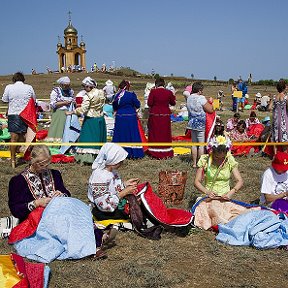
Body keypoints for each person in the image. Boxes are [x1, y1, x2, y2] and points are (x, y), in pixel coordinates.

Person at [7, 145, 108, 259]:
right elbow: (16, 209)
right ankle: (94, 246)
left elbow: (66, 193)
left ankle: (95, 240)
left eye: (47, 164)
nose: (45, 167)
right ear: (32, 161)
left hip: (58, 210)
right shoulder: (18, 181)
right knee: (66, 221)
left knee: (77, 212)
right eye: (41, 165)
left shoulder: (55, 174)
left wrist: (61, 194)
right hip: (37, 218)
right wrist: (36, 203)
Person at [66, 77, 107, 164]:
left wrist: (72, 112)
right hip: (100, 118)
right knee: (98, 137)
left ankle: (88, 158)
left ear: (89, 86)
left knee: (89, 138)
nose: (84, 89)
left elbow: (84, 109)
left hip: (90, 119)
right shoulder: (101, 92)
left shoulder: (88, 96)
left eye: (85, 86)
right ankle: (99, 156)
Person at [2, 72, 36, 168]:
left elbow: (4, 99)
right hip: (27, 115)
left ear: (14, 79)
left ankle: (13, 161)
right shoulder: (29, 87)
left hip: (14, 114)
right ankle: (31, 160)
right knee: (29, 138)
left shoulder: (9, 87)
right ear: (23, 79)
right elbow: (34, 99)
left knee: (13, 139)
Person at [194, 135, 243, 199]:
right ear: (212, 152)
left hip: (225, 196)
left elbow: (240, 181)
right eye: (216, 157)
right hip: (209, 196)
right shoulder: (205, 160)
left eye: (223, 157)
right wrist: (207, 192)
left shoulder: (229, 160)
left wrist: (231, 192)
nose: (220, 160)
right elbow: (196, 182)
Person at [112, 80, 144, 158]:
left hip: (120, 117)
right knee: (131, 134)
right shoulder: (131, 95)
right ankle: (133, 153)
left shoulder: (117, 96)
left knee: (120, 134)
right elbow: (137, 104)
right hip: (130, 117)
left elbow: (115, 106)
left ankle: (119, 153)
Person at [186, 81, 214, 167]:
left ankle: (194, 163)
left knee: (194, 144)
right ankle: (200, 163)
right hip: (200, 123)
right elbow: (210, 110)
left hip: (191, 123)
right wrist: (210, 102)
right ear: (199, 90)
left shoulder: (189, 98)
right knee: (201, 145)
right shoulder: (201, 98)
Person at [147, 77, 176, 159]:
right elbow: (173, 103)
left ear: (156, 84)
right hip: (165, 115)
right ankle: (165, 150)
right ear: (164, 84)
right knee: (164, 133)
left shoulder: (153, 92)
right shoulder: (168, 92)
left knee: (155, 133)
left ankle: (154, 150)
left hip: (155, 114)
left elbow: (149, 103)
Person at [46, 76, 75, 142]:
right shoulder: (56, 91)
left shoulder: (71, 91)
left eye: (68, 85)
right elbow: (53, 104)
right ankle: (55, 144)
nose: (67, 87)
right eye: (65, 85)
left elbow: (73, 100)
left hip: (69, 113)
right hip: (59, 113)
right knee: (57, 129)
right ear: (61, 84)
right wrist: (64, 103)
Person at [268, 80, 288, 152]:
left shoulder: (274, 97)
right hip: (284, 119)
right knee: (284, 137)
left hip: (276, 119)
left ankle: (276, 155)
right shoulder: (286, 97)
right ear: (284, 87)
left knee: (275, 137)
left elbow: (269, 108)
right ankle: (285, 156)